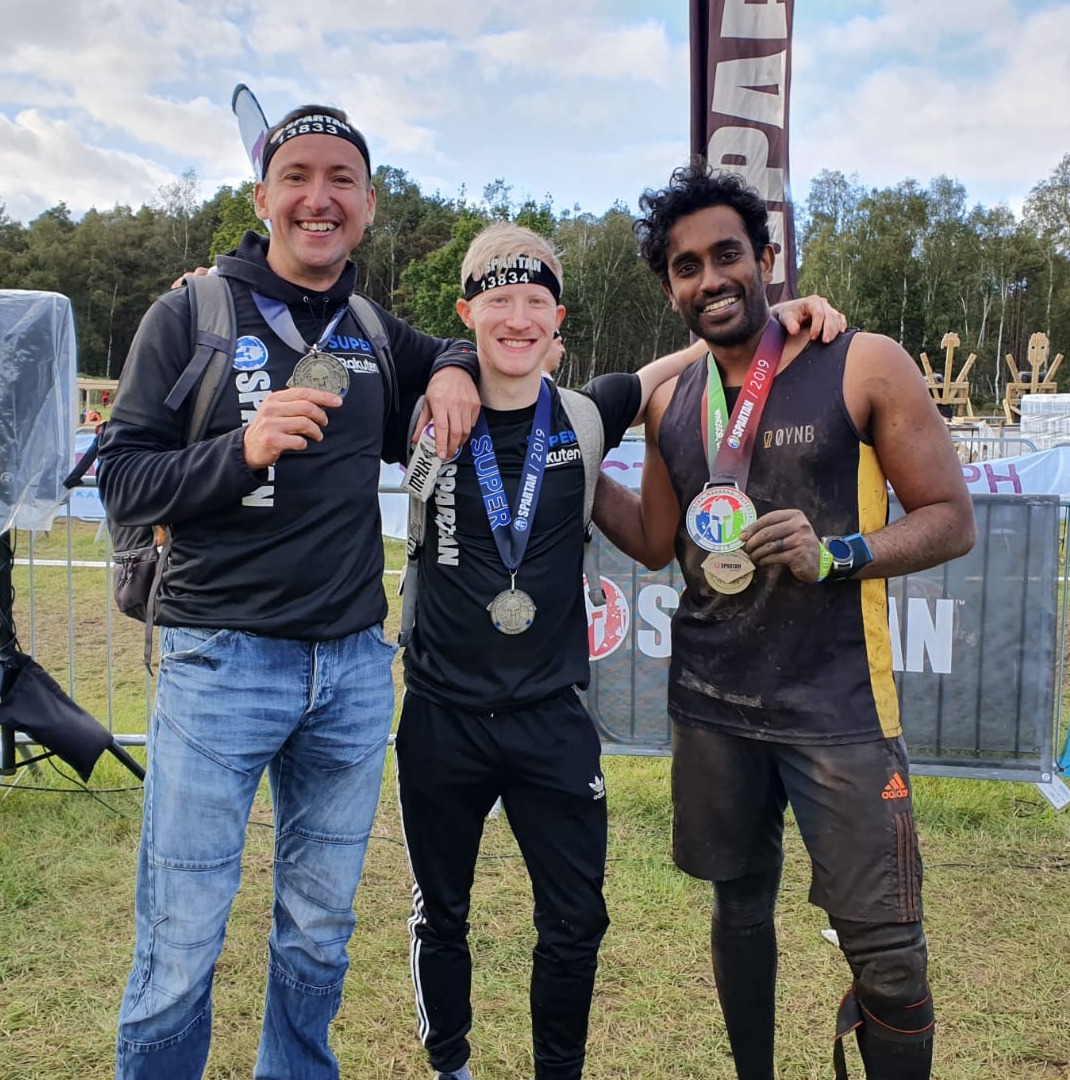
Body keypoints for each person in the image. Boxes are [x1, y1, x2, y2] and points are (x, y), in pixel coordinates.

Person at [392, 221, 846, 1080]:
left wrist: (782, 320)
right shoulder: (418, 405)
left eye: (536, 302)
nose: (518, 319)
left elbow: (688, 359)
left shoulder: (587, 412)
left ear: (558, 321)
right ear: (466, 312)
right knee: (440, 914)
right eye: (498, 300)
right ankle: (449, 1063)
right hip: (441, 717)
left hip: (551, 719)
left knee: (575, 921)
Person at [97, 103, 481, 1080]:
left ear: (368, 205)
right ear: (262, 196)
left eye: (341, 179)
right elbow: (123, 479)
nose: (320, 196)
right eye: (297, 176)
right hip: (217, 664)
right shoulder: (192, 314)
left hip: (351, 672)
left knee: (318, 931)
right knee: (181, 936)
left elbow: (458, 351)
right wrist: (243, 450)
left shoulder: (370, 328)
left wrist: (449, 369)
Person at [593, 163, 976, 1080]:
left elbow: (950, 519)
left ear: (767, 260)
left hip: (839, 709)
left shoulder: (862, 361)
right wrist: (570, 467)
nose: (710, 278)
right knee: (738, 910)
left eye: (727, 254)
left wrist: (837, 553)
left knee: (887, 955)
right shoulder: (670, 401)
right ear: (670, 288)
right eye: (686, 266)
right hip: (714, 705)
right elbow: (654, 541)